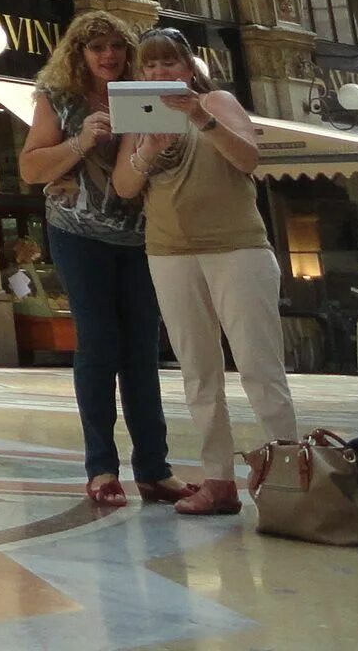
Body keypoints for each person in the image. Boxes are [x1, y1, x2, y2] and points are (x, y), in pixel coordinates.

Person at [109, 29, 294, 514]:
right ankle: (218, 480)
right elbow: (125, 187)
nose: (158, 73)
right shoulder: (139, 115)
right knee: (198, 371)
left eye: (168, 64)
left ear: (189, 68)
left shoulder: (217, 101)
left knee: (258, 366)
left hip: (237, 249)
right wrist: (147, 149)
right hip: (169, 253)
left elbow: (248, 159)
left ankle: (291, 477)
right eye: (148, 66)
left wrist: (199, 117)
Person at [22, 10, 183, 508]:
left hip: (140, 235)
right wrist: (80, 142)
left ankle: (154, 469)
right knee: (97, 343)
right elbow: (30, 167)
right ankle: (102, 468)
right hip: (79, 233)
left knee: (141, 348)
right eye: (97, 48)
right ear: (79, 55)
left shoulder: (147, 93)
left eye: (116, 46)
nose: (108, 55)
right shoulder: (59, 99)